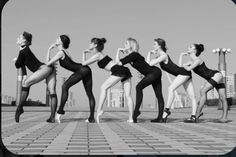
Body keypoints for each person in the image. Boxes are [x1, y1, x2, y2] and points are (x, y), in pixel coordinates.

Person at [82, 37, 134, 123]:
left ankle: (99, 110)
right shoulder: (101, 54)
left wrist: (83, 53)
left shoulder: (98, 55)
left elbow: (84, 63)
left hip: (118, 70)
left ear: (95, 45)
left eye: (91, 43)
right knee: (128, 95)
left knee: (103, 88)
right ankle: (131, 118)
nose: (89, 44)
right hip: (124, 70)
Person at [46, 35, 96, 123]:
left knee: (65, 86)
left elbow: (48, 63)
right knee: (89, 94)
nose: (56, 39)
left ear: (61, 42)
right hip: (86, 69)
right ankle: (91, 118)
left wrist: (49, 49)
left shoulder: (61, 53)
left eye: (58, 38)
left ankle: (60, 112)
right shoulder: (66, 52)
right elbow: (73, 65)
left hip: (82, 69)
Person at [146, 38, 198, 123]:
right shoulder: (160, 56)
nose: (153, 46)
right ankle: (193, 117)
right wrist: (149, 53)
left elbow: (150, 64)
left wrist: (149, 54)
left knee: (171, 89)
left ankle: (166, 112)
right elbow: (147, 65)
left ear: (159, 46)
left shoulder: (163, 56)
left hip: (183, 73)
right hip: (183, 73)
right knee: (192, 96)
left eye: (154, 44)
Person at [116, 38, 164, 123]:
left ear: (131, 45)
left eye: (126, 43)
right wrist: (118, 51)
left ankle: (136, 112)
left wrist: (118, 50)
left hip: (153, 72)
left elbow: (119, 63)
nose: (124, 45)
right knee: (158, 95)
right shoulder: (131, 56)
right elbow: (119, 63)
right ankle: (159, 118)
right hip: (153, 72)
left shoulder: (134, 54)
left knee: (139, 87)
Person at [14, 31, 57, 123]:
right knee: (52, 92)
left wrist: (16, 60)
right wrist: (24, 73)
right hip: (49, 69)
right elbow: (22, 64)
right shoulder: (25, 50)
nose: (17, 38)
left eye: (20, 37)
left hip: (44, 69)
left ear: (24, 41)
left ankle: (19, 108)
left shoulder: (23, 51)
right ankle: (52, 118)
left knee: (25, 84)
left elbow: (18, 65)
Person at [182, 44, 228, 122]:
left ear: (194, 51)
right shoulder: (191, 61)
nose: (188, 47)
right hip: (216, 76)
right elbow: (181, 66)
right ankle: (224, 118)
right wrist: (181, 56)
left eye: (190, 47)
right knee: (222, 97)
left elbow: (188, 68)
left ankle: (197, 114)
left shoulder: (197, 60)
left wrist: (185, 65)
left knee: (203, 91)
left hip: (215, 75)